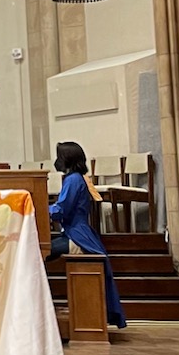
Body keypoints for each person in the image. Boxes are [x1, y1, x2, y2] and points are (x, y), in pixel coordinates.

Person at [50, 140, 127, 330]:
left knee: (40, 252)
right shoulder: (76, 178)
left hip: (77, 238)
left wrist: (36, 209)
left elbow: (61, 210)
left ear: (66, 159)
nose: (56, 161)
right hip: (77, 233)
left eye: (59, 157)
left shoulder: (73, 179)